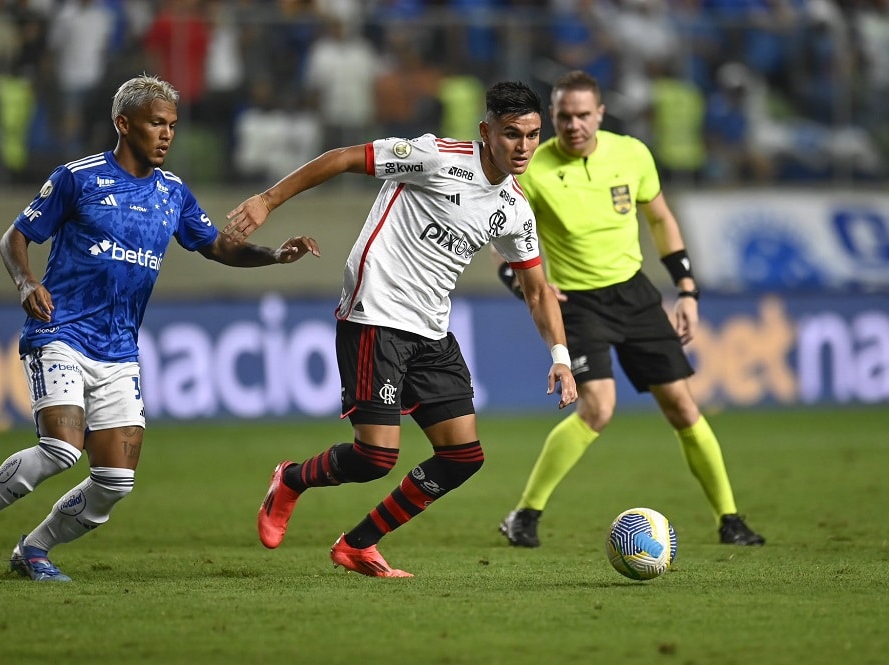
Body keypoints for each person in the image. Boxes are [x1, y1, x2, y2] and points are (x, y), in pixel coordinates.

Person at [0, 75, 320, 583]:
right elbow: (15, 237)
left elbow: (216, 246)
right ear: (123, 123)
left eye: (172, 126)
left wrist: (273, 255)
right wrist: (26, 283)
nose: (167, 135)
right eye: (156, 123)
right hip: (62, 331)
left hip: (119, 350)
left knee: (115, 481)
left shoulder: (172, 193)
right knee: (61, 449)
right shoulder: (78, 178)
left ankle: (34, 550)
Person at [224, 81, 578, 578]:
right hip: (376, 314)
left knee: (461, 456)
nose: (523, 147)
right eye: (511, 134)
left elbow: (539, 290)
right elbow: (344, 156)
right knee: (375, 456)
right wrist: (267, 200)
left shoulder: (515, 209)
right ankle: (290, 480)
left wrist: (560, 357)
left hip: (432, 330)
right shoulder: (435, 157)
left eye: (532, 135)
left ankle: (357, 544)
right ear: (486, 131)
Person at [495, 70, 765, 549]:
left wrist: (686, 288)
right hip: (577, 303)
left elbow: (660, 218)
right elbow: (501, 239)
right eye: (563, 116)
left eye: (582, 115)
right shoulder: (532, 170)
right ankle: (525, 514)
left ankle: (730, 519)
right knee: (597, 409)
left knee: (683, 407)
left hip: (635, 295)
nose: (573, 125)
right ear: (553, 117)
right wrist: (524, 287)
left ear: (600, 114)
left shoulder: (632, 154)